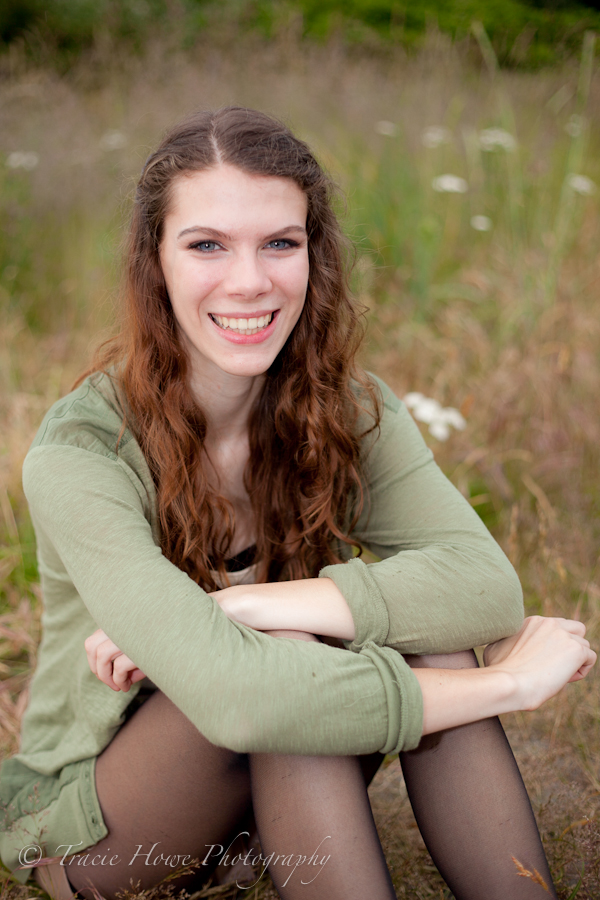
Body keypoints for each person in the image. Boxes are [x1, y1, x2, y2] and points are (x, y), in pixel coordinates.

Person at [0, 107, 595, 900]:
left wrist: (241, 608)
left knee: (415, 640)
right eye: (207, 244)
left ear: (314, 255)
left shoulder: (348, 408)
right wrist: (509, 688)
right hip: (104, 821)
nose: (250, 280)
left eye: (280, 243)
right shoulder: (82, 453)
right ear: (156, 262)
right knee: (288, 682)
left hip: (265, 769)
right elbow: (241, 701)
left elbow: (484, 589)